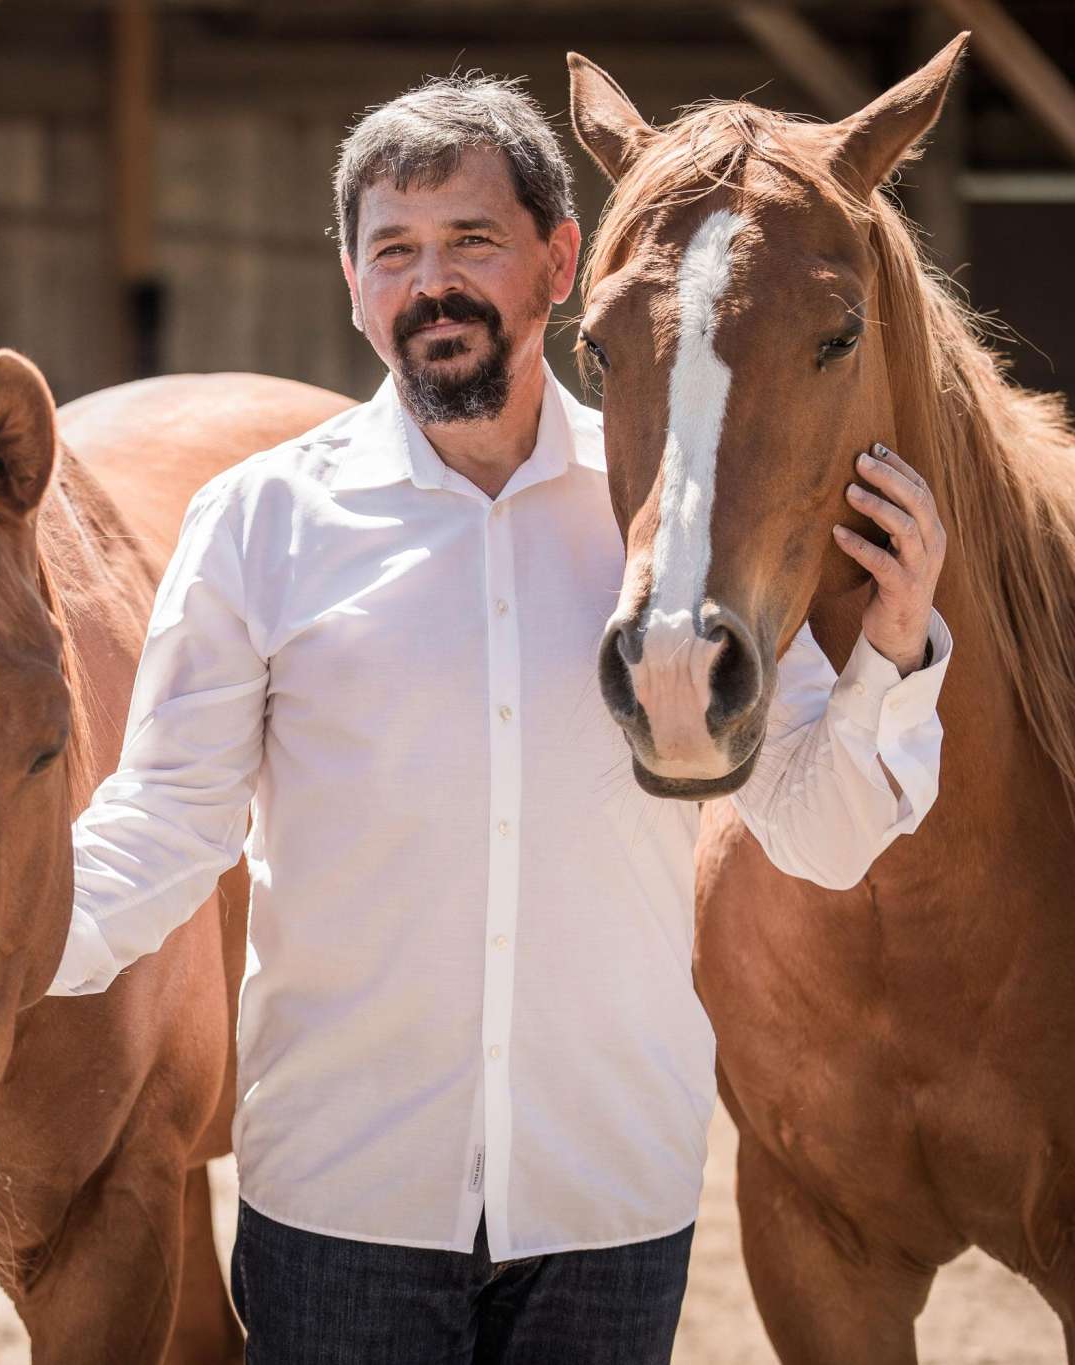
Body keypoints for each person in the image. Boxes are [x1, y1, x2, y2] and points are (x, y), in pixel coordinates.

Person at [51, 77, 952, 1363]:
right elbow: (165, 822)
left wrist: (892, 652)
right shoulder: (259, 524)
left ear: (560, 264)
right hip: (340, 1204)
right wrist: (3, 941)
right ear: (352, 285)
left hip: (606, 1203)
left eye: (471, 241)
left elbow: (822, 832)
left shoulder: (672, 532)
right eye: (392, 252)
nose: (431, 284)